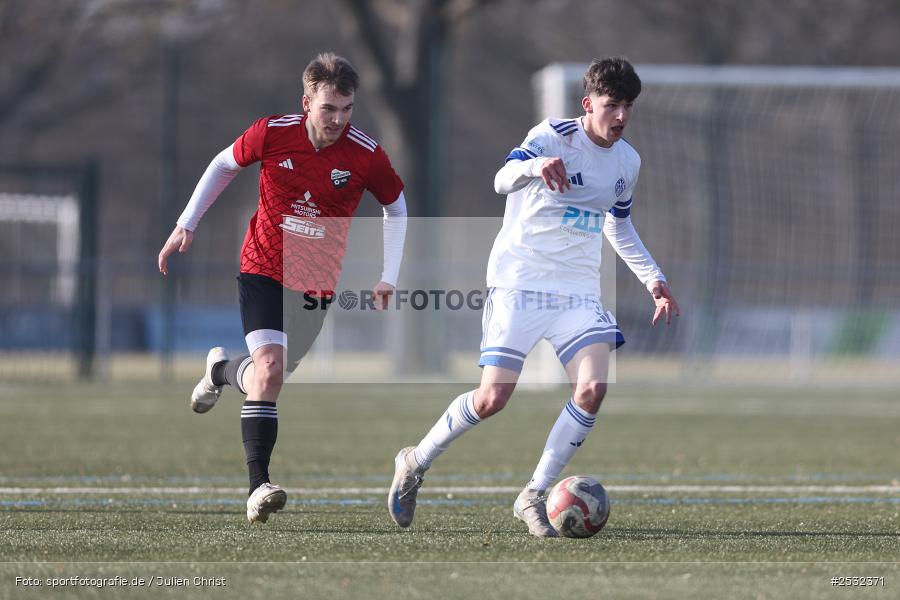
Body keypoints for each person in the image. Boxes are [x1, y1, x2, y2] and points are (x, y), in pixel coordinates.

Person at [387, 57, 678, 537]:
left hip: (577, 291)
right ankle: (415, 461)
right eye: (612, 105)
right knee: (493, 398)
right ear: (589, 104)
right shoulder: (552, 134)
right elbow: (501, 180)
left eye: (628, 106)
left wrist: (654, 278)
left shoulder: (628, 162)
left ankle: (534, 495)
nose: (622, 116)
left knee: (592, 388)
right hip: (520, 282)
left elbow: (618, 224)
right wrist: (535, 165)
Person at [158, 52, 407, 524]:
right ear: (307, 101)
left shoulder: (366, 154)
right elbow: (222, 164)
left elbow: (397, 206)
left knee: (265, 378)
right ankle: (258, 487)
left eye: (347, 109)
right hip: (264, 268)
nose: (338, 120)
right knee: (270, 372)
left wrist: (388, 274)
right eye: (328, 108)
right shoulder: (272, 133)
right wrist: (186, 223)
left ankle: (219, 371)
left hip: (316, 282)